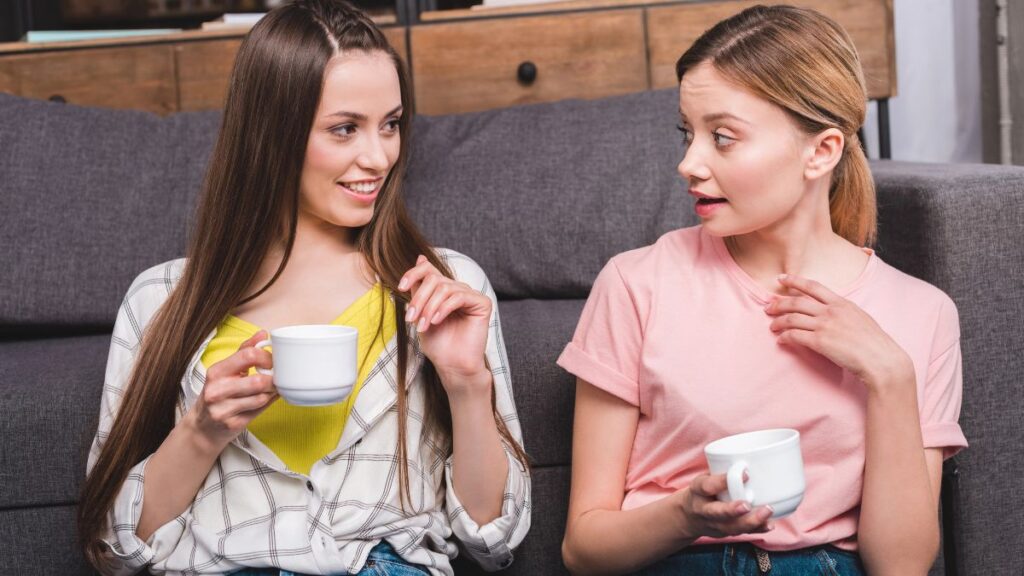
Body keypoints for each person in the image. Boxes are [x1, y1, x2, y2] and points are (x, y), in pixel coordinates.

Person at [77, 2, 530, 574]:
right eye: (345, 129)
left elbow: (495, 540)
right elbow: (111, 552)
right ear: (272, 135)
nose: (379, 156)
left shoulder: (445, 288)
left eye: (390, 124)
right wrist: (201, 429)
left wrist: (467, 385)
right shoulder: (161, 300)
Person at [558, 5, 966, 575]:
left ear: (820, 152)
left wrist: (890, 376)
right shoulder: (636, 284)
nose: (688, 164)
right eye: (688, 133)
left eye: (722, 137)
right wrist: (687, 514)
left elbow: (900, 567)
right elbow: (584, 550)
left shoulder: (921, 315)